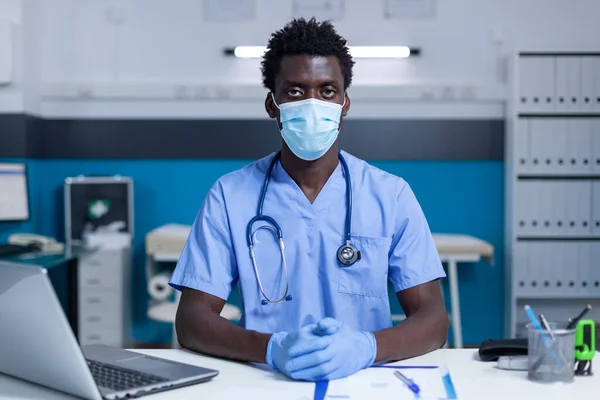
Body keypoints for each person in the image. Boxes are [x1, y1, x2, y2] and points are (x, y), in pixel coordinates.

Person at [169, 17, 449, 382]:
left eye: (328, 90)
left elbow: (433, 319)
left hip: (366, 380)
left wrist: (366, 347)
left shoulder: (389, 195)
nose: (313, 104)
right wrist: (271, 348)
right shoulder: (230, 196)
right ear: (272, 104)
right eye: (296, 91)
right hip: (266, 380)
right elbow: (191, 320)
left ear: (345, 103)